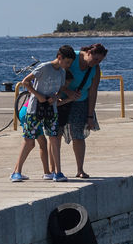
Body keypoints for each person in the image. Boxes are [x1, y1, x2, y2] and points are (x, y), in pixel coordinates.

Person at [12, 45, 75, 182]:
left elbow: (59, 89)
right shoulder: (44, 67)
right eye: (67, 62)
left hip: (51, 109)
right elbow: (25, 82)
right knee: (29, 140)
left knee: (53, 138)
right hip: (35, 108)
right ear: (60, 57)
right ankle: (17, 172)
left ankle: (58, 172)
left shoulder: (62, 72)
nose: (68, 65)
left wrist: (56, 96)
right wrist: (39, 95)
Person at [62, 43, 107, 179]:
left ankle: (80, 169)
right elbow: (56, 79)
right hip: (61, 100)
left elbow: (93, 92)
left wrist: (90, 115)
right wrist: (68, 92)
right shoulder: (72, 57)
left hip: (81, 102)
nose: (96, 63)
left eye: (99, 61)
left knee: (78, 135)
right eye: (95, 59)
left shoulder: (95, 69)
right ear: (88, 53)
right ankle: (53, 170)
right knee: (55, 135)